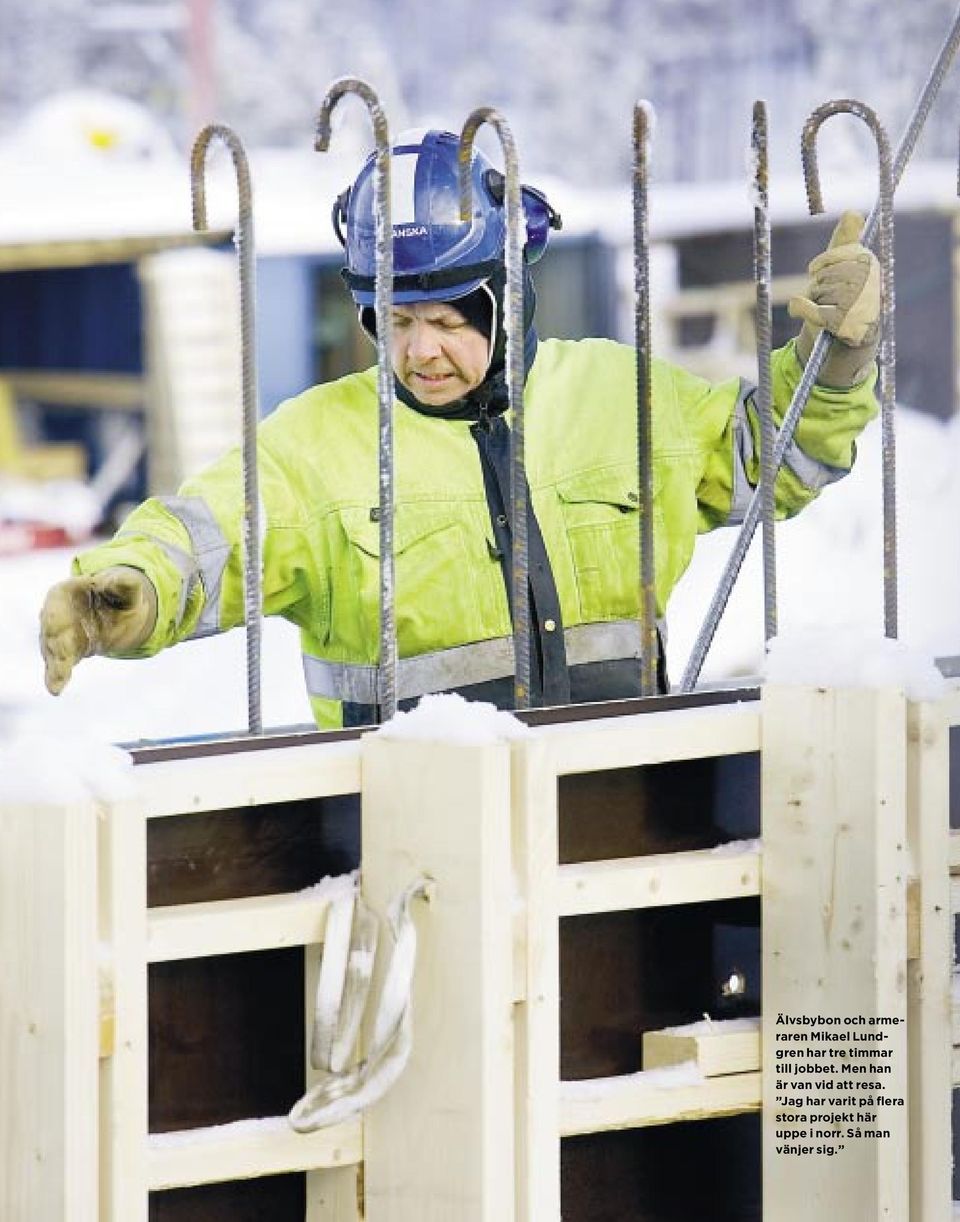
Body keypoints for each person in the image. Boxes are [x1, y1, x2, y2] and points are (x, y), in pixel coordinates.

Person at [40, 128, 880, 729]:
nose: (420, 350)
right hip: (419, 845)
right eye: (393, 322)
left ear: (509, 299)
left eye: (447, 319)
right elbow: (209, 535)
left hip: (626, 808)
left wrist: (835, 360)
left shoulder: (618, 397)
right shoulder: (318, 449)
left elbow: (776, 462)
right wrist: (131, 590)